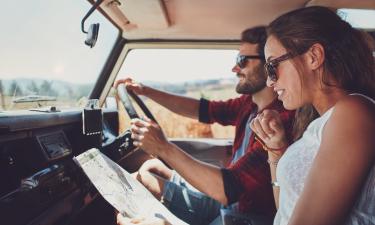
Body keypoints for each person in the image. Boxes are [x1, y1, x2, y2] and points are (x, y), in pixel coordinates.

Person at [116, 26, 295, 225]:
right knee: (149, 170)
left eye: (242, 61)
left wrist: (163, 147)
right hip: (228, 203)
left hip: (246, 216)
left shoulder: (277, 121)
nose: (235, 69)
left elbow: (230, 189)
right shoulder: (248, 105)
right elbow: (200, 109)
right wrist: (145, 91)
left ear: (267, 64)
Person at [249, 6, 375, 225]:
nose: (269, 82)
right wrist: (276, 150)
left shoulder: (353, 112)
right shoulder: (320, 123)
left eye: (272, 66)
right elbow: (287, 208)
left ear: (314, 57)